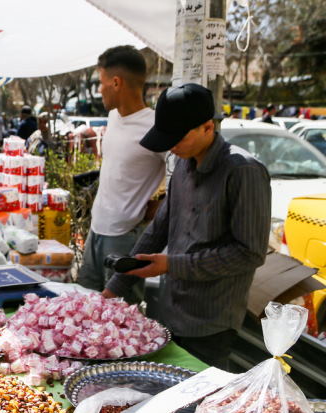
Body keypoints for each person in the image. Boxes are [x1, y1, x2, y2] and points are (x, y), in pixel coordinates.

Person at [103, 83, 271, 369]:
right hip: (171, 310)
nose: (171, 147)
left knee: (198, 404)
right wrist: (116, 287)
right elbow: (158, 229)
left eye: (177, 138)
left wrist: (172, 265)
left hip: (211, 321)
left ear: (207, 127)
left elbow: (250, 253)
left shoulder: (243, 171)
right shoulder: (182, 165)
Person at [77, 45, 167, 303]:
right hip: (96, 229)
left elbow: (182, 177)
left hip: (125, 239)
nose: (99, 90)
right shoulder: (113, 116)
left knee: (119, 319)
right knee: (84, 308)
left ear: (116, 82)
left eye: (101, 83)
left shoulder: (154, 126)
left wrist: (157, 209)